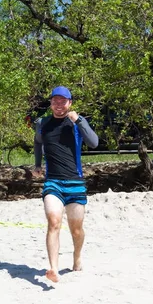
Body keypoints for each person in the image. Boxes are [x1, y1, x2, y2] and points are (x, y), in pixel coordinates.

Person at [33, 86, 99, 283]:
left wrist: (78, 120)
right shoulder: (43, 123)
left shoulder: (77, 122)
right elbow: (37, 142)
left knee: (76, 230)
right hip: (53, 182)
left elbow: (94, 143)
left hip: (75, 182)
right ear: (51, 102)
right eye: (55, 100)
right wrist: (37, 164)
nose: (59, 104)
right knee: (54, 222)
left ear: (70, 103)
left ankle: (77, 257)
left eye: (63, 101)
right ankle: (53, 268)